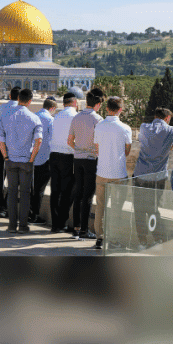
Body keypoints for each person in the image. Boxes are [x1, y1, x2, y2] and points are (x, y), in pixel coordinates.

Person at [0, 88, 42, 234]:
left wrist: (5, 157)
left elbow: (0, 140)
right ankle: (23, 226)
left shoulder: (5, 116)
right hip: (26, 161)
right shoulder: (34, 118)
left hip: (10, 159)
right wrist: (31, 158)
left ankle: (11, 225)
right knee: (25, 194)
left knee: (11, 193)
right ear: (30, 101)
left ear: (17, 98)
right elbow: (38, 141)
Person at [132, 107, 173, 249]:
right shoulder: (171, 131)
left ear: (155, 116)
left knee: (139, 209)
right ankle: (158, 239)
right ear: (167, 118)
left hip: (140, 173)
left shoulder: (144, 127)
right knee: (154, 208)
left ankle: (142, 242)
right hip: (157, 176)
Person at [92, 97, 132, 250]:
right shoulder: (125, 128)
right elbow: (127, 150)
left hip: (102, 171)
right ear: (120, 110)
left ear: (106, 108)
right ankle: (114, 239)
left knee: (100, 206)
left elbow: (97, 148)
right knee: (117, 207)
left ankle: (99, 238)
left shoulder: (99, 126)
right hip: (118, 172)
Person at [67, 89, 104, 240]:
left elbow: (69, 141)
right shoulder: (98, 120)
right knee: (88, 195)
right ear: (98, 104)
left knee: (78, 193)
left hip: (78, 157)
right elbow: (99, 144)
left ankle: (75, 227)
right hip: (90, 159)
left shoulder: (76, 117)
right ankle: (84, 229)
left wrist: (78, 150)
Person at [48, 92, 78, 233]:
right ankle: (62, 223)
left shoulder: (57, 116)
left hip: (54, 154)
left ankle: (55, 224)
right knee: (67, 192)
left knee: (55, 190)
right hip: (67, 156)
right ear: (75, 102)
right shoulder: (75, 116)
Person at [30, 98, 57, 225]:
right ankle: (34, 215)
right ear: (52, 108)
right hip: (45, 158)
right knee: (40, 189)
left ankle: (28, 213)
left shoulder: (34, 116)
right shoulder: (51, 120)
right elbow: (52, 140)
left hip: (31, 157)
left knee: (30, 187)